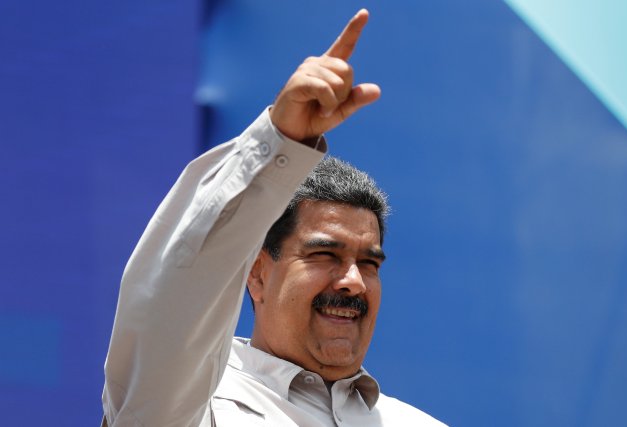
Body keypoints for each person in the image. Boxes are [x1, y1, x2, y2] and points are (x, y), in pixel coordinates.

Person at [102, 9, 447, 427]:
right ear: (258, 273)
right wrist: (278, 143)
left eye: (369, 263)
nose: (353, 281)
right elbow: (171, 301)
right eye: (325, 254)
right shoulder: (195, 407)